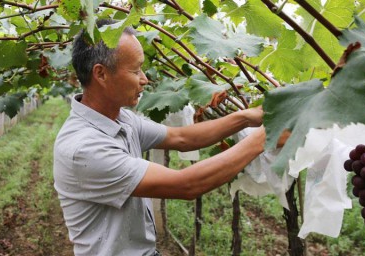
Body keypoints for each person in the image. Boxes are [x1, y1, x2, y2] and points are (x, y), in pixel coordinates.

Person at [53, 20, 287, 256]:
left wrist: (245, 118)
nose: (144, 79)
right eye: (135, 71)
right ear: (101, 74)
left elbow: (181, 137)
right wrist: (263, 137)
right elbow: (186, 184)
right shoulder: (83, 148)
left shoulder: (121, 118)